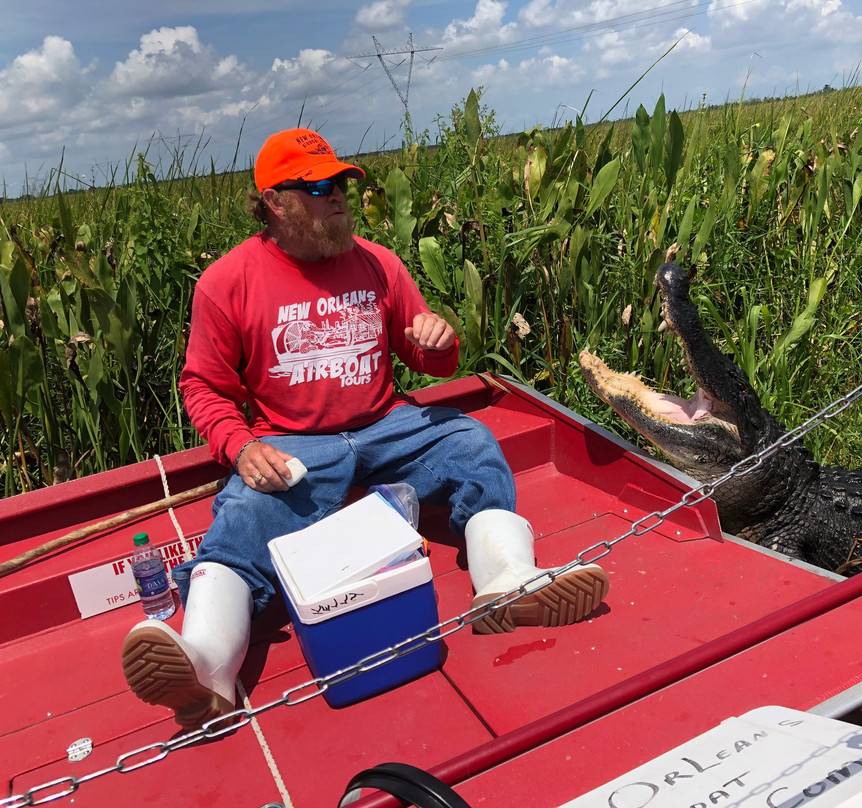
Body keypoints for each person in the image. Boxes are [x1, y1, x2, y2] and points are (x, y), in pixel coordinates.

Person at [120, 128, 610, 730]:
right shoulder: (226, 282)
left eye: (342, 184)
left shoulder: (380, 263)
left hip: (387, 424)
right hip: (295, 444)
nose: (339, 198)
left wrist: (439, 341)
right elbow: (203, 386)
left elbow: (432, 359)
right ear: (275, 202)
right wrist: (240, 446)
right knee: (245, 513)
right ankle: (206, 665)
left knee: (471, 445)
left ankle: (507, 582)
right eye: (318, 187)